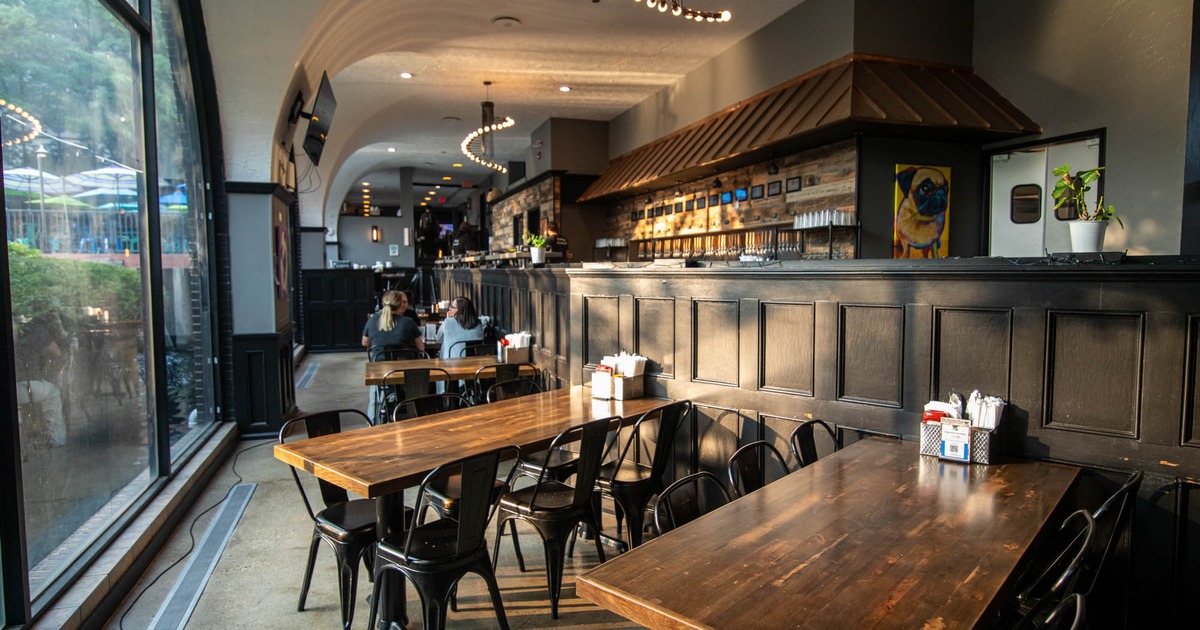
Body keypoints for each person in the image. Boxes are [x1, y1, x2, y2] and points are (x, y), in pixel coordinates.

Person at [16, 312, 67, 447]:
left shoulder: (19, 330)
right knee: (53, 392)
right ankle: (57, 440)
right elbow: (58, 354)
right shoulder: (38, 330)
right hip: (27, 385)